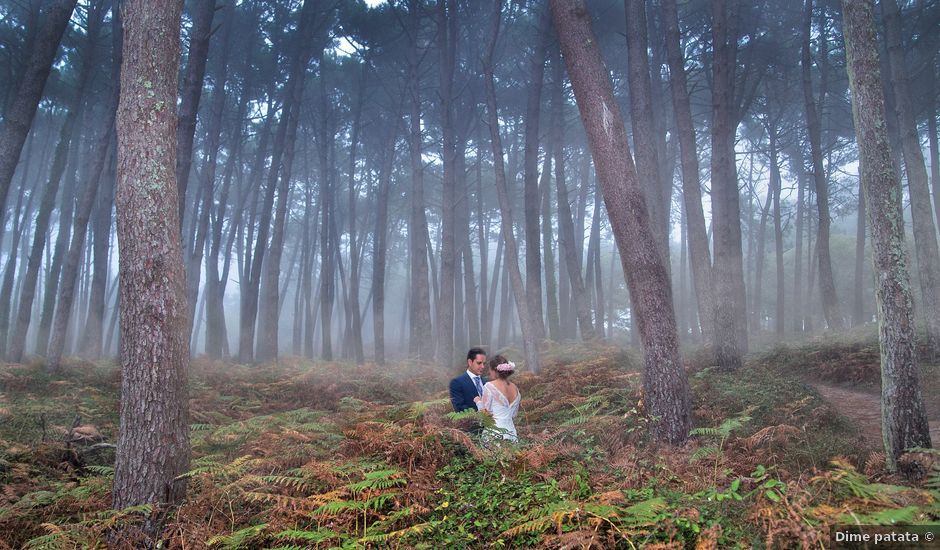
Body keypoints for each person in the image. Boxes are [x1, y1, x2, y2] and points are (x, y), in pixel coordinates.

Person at [474, 354, 521, 442]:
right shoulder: (515, 388)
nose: (489, 372)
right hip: (511, 433)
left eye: (490, 369)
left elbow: (485, 415)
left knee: (492, 456)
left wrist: (478, 401)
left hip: (494, 433)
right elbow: (514, 415)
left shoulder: (489, 386)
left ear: (495, 370)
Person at [449, 347, 487, 414]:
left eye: (484, 363)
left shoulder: (487, 382)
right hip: (472, 423)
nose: (483, 366)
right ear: (470, 362)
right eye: (479, 363)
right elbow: (459, 407)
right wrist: (480, 414)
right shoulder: (457, 382)